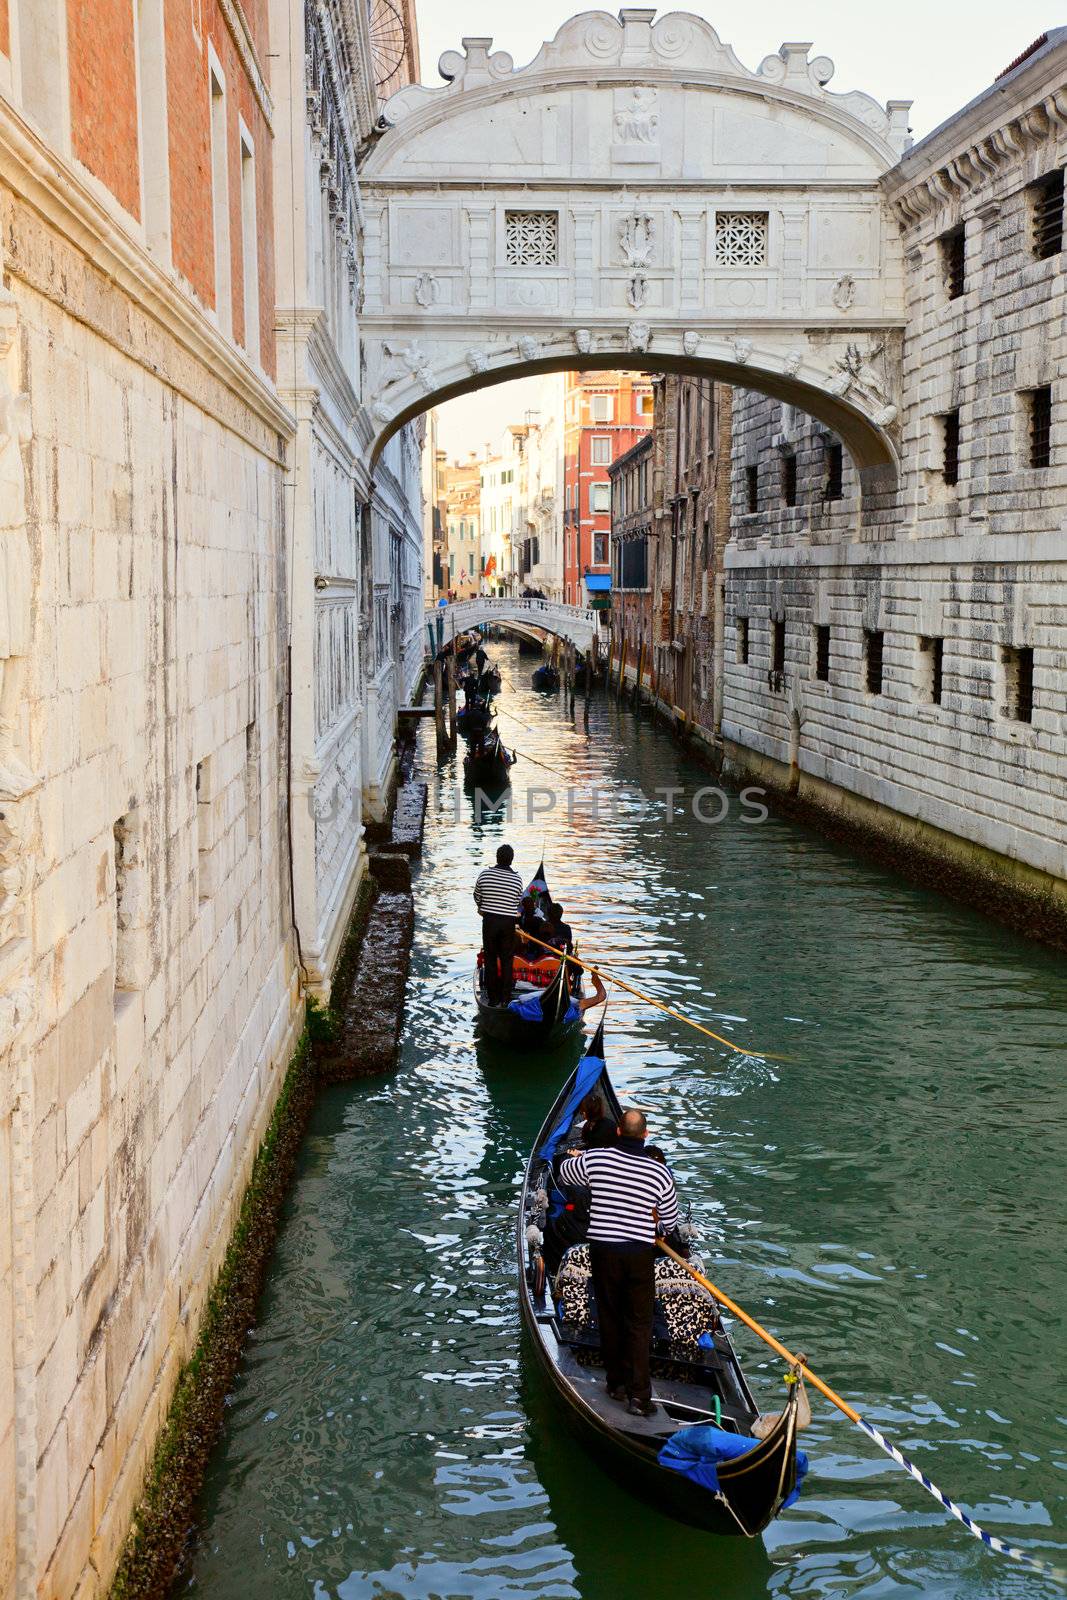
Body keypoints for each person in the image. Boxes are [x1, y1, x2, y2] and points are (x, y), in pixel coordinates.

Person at [558, 1108, 678, 1417]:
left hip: (604, 1250)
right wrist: (657, 1231)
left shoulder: (597, 1159)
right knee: (639, 1324)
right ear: (646, 1135)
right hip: (639, 1253)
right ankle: (639, 1396)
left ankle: (615, 1384)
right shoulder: (659, 1173)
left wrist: (581, 1160)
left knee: (610, 1315)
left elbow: (565, 1172)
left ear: (620, 1133)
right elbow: (669, 1220)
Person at [473, 844, 524, 1004]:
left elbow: (477, 896)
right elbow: (516, 903)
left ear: (497, 857)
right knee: (507, 960)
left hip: (490, 921)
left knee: (490, 958)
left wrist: (483, 907)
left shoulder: (485, 875)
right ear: (511, 860)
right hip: (508, 923)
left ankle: (493, 999)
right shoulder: (517, 880)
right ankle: (505, 998)